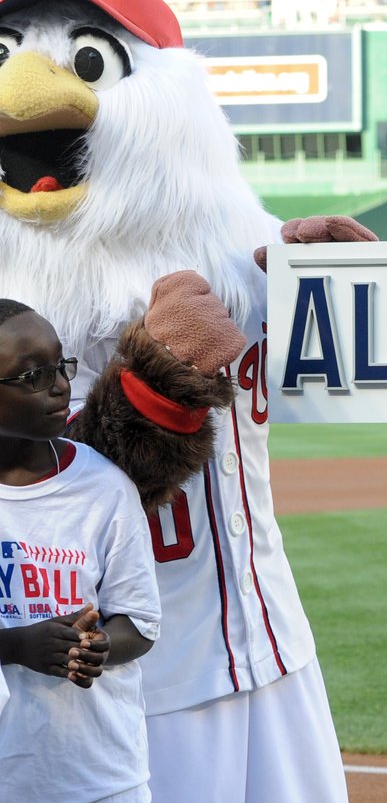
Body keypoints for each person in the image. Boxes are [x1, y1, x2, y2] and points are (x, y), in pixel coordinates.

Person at [0, 0, 372, 802]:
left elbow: (346, 367)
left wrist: (339, 287)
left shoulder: (242, 241)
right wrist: (149, 398)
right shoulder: (13, 296)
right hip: (124, 680)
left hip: (270, 640)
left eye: (89, 59)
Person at [0, 299, 160, 802]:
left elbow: (139, 621)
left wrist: (101, 646)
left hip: (99, 773)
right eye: (31, 376)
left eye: (61, 364)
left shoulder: (104, 488)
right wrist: (16, 646)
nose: (60, 385)